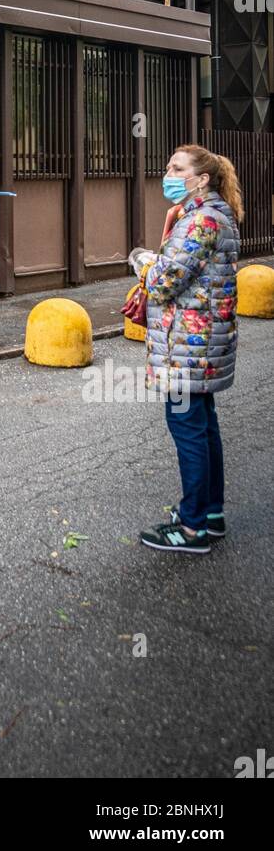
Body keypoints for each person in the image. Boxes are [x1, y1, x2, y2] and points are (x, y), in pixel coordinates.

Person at [133, 145, 242, 556]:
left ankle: (193, 527)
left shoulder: (201, 220)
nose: (169, 174)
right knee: (203, 426)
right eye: (168, 167)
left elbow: (163, 281)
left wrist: (141, 260)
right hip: (201, 347)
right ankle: (211, 514)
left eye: (178, 168)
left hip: (188, 348)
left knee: (188, 430)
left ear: (201, 179)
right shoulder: (212, 215)